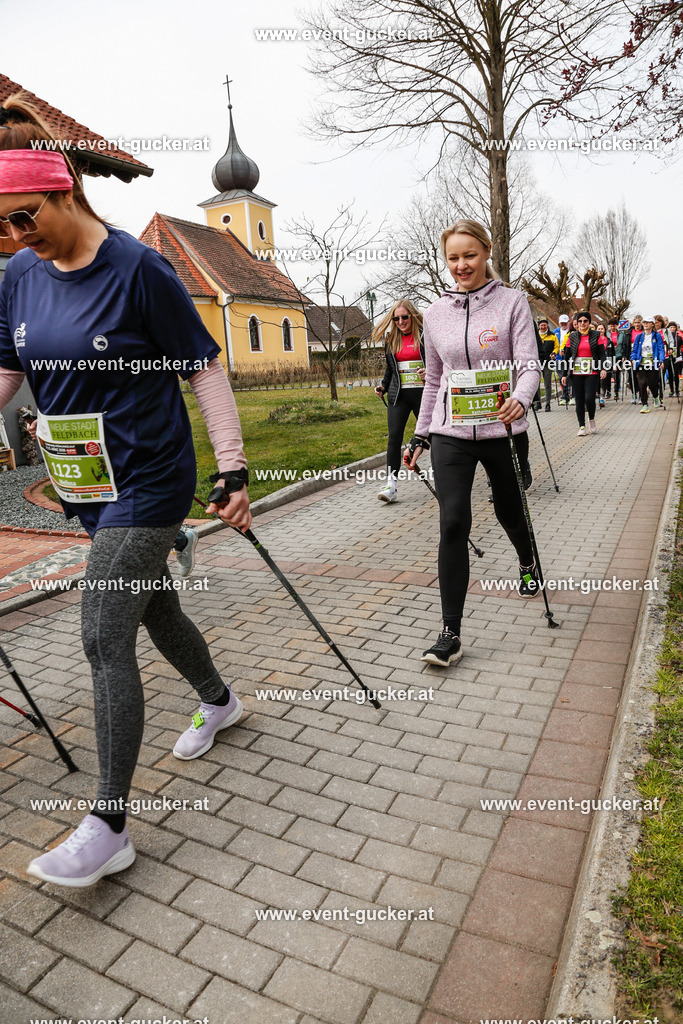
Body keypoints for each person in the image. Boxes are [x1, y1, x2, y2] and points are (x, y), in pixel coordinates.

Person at [0, 97, 251, 887]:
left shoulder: (139, 269)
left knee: (104, 633)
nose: (16, 235)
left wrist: (234, 470)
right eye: (0, 225)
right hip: (82, 483)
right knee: (155, 609)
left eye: (25, 215)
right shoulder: (15, 275)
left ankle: (109, 824)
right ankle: (219, 700)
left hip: (149, 476)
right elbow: (10, 370)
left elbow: (202, 365)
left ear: (64, 190)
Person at [404, 218, 541, 668]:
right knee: (453, 523)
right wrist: (422, 433)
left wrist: (521, 399)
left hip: (501, 428)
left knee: (508, 508)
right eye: (452, 258)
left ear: (486, 254)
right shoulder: (436, 312)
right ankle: (450, 633)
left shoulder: (512, 303)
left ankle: (527, 561)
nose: (461, 265)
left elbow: (529, 365)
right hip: (452, 434)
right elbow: (433, 381)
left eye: (469, 255)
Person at [374, 299, 425, 502]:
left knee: (433, 436)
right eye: (396, 318)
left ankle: (442, 477)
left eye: (405, 317)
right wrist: (383, 386)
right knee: (394, 438)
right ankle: (391, 486)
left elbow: (437, 362)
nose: (401, 321)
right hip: (399, 395)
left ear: (412, 316)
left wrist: (428, 372)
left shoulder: (425, 336)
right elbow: (390, 369)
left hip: (423, 393)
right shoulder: (391, 339)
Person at [559, 311, 606, 436]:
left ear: (589, 322)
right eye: (580, 321)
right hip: (576, 373)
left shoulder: (596, 335)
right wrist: (564, 374)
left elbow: (602, 354)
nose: (582, 323)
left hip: (592, 371)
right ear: (577, 323)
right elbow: (567, 357)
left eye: (585, 321)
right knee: (579, 400)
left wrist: (603, 368)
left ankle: (591, 419)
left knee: (589, 398)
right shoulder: (572, 336)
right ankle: (581, 426)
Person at [630, 316, 666, 413]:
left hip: (653, 363)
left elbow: (661, 349)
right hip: (641, 363)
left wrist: (661, 360)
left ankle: (655, 397)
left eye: (648, 322)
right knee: (642, 384)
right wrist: (633, 358)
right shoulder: (639, 337)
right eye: (644, 322)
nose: (645, 324)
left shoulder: (656, 336)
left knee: (652, 384)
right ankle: (645, 405)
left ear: (652, 324)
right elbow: (634, 350)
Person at [536, 318, 556, 411]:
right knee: (536, 384)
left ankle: (547, 404)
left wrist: (554, 353)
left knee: (547, 384)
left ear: (547, 325)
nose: (543, 327)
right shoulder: (535, 336)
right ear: (538, 326)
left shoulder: (552, 336)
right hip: (537, 362)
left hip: (548, 362)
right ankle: (538, 403)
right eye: (541, 325)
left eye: (544, 325)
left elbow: (556, 347)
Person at [554, 314, 571, 404]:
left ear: (568, 322)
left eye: (565, 323)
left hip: (568, 357)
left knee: (568, 375)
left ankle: (570, 393)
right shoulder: (555, 332)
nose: (563, 324)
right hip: (558, 357)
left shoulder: (571, 332)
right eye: (562, 323)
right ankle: (564, 395)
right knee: (561, 376)